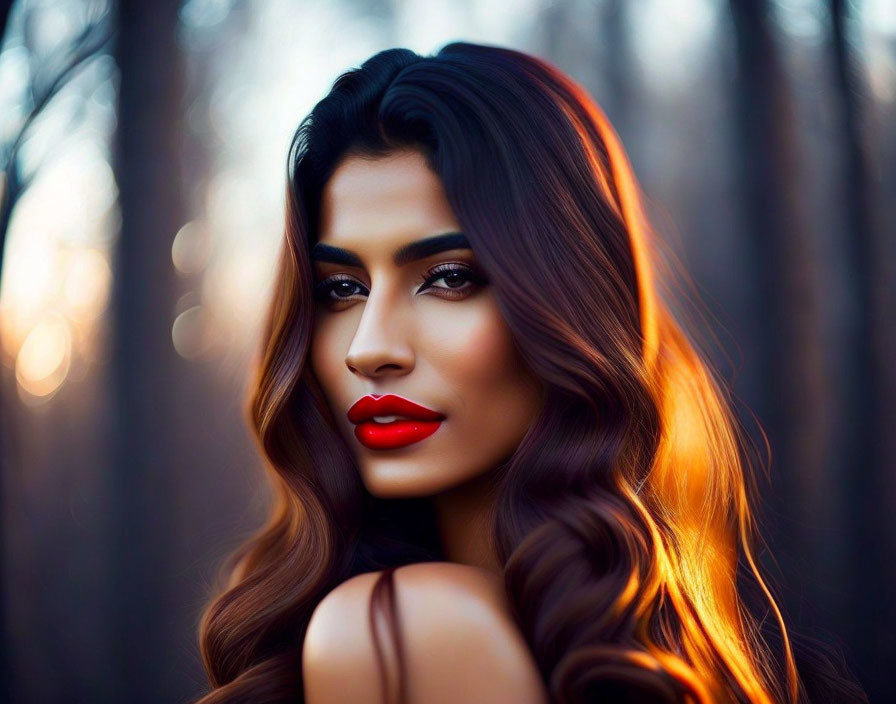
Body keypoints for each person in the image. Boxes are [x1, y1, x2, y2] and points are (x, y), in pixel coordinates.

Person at [194, 42, 867, 704]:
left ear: (566, 302)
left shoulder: (393, 630)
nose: (368, 349)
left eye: (449, 278)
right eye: (341, 289)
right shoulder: (715, 651)